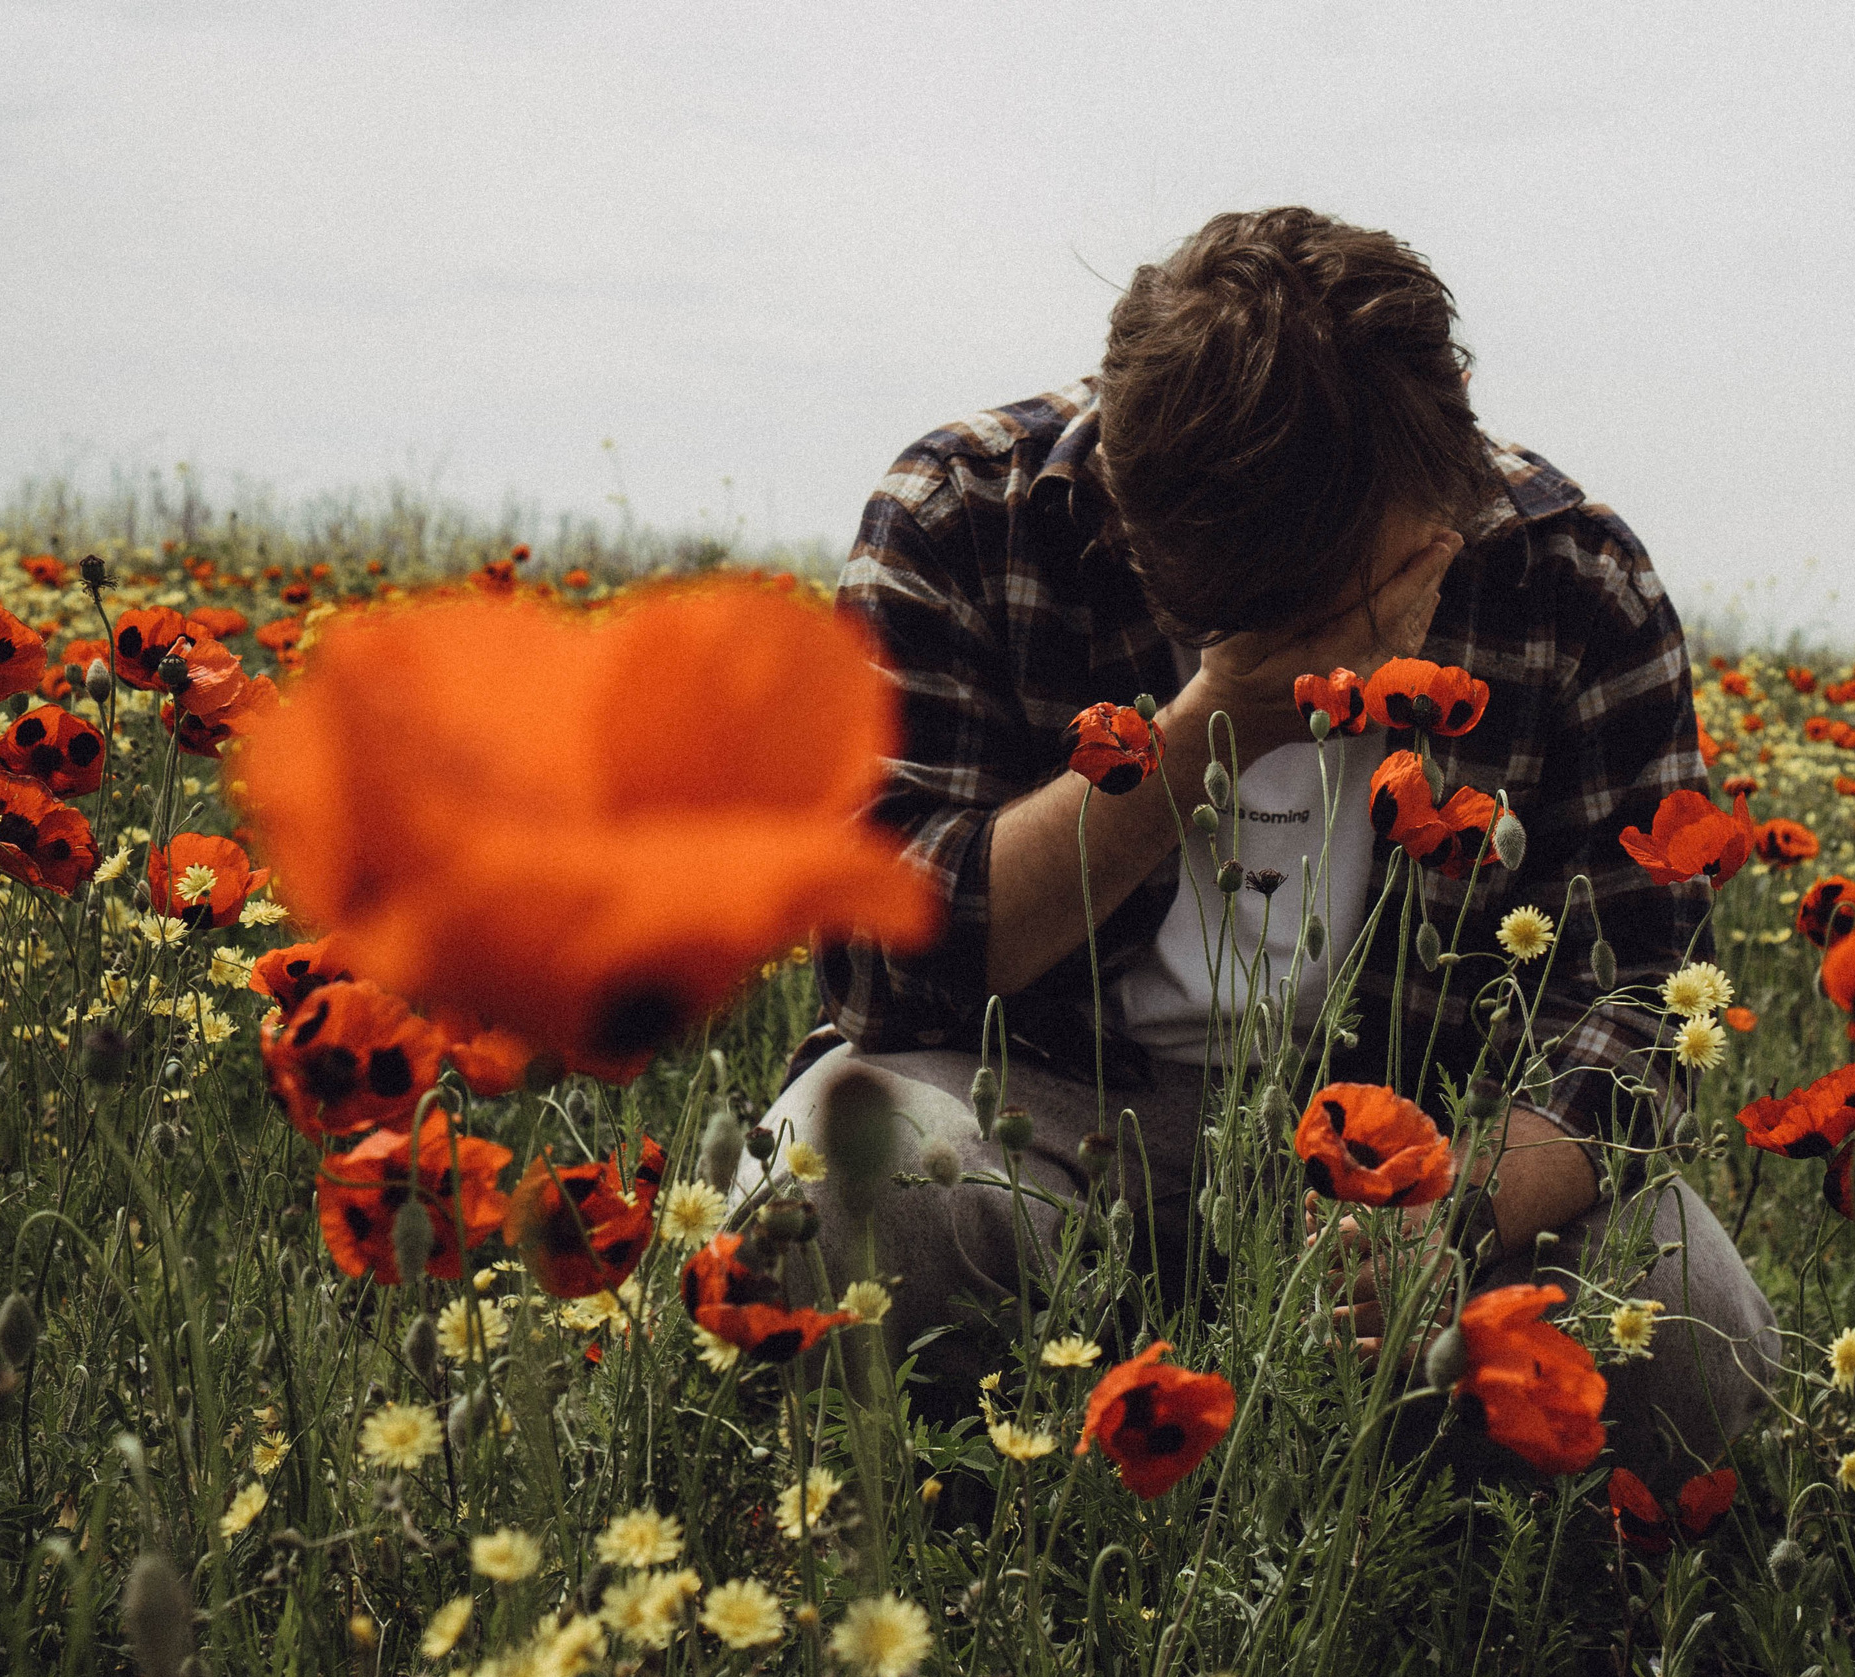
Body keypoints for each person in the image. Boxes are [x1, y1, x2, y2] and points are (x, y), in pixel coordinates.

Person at [745, 207, 1778, 1492]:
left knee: (1689, 1329)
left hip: (1422, 1149)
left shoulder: (1565, 575)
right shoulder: (966, 515)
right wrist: (1206, 721)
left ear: (1451, 450)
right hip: (1049, 1121)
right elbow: (873, 962)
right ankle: (1025, 1507)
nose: (1335, 650)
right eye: (1264, 612)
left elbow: (1642, 1002)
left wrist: (1445, 1207)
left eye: (1365, 583)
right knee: (829, 1207)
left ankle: (1380, 1526)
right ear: (1127, 501)